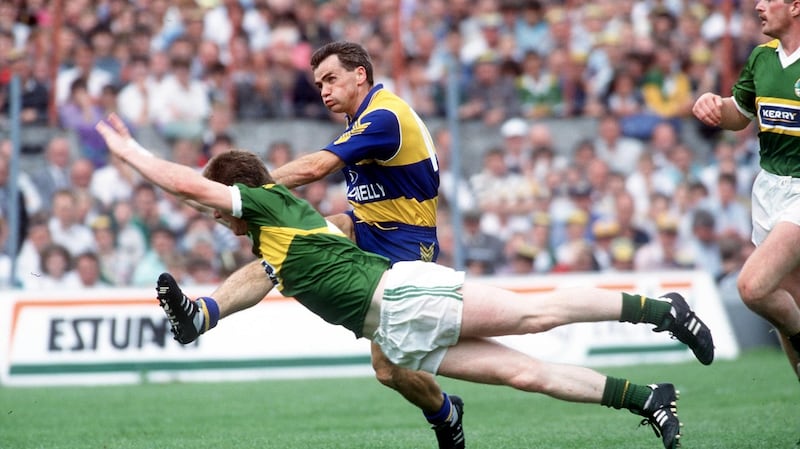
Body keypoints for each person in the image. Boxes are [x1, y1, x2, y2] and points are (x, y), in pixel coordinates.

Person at [96, 114, 715, 449]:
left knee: (536, 315)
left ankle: (663, 310)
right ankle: (648, 398)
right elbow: (249, 265)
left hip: (404, 295)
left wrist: (133, 156)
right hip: (399, 330)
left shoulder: (265, 204)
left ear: (237, 193)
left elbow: (186, 185)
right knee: (525, 374)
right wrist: (201, 311)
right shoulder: (276, 240)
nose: (215, 220)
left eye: (218, 208)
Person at [176, 41, 465, 448]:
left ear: (360, 75)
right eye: (319, 84)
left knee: (388, 371)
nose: (324, 90)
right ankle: (205, 311)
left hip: (406, 247)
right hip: (364, 227)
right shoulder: (359, 121)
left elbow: (316, 167)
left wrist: (246, 194)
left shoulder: (384, 116)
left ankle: (446, 414)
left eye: (331, 79)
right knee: (286, 249)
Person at [692, 0, 800, 384]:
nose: (758, 6)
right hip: (768, 188)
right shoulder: (761, 57)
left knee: (753, 286)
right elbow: (739, 115)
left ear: (795, 6)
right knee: (789, 302)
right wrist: (712, 104)